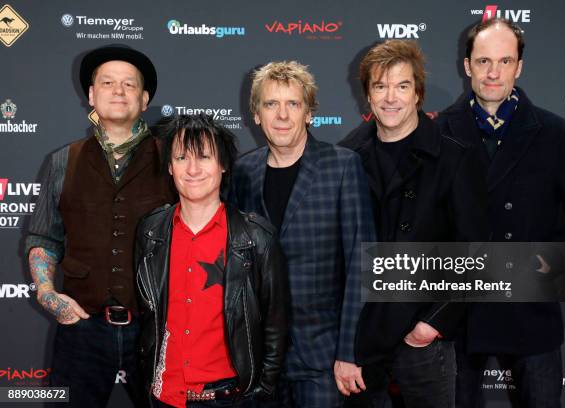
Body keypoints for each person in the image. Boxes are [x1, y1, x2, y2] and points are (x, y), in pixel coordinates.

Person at [437, 18, 565, 407]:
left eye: (504, 61)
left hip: (530, 310)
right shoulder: (440, 130)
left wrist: (552, 257)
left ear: (519, 66)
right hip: (460, 313)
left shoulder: (555, 133)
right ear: (467, 66)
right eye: (483, 61)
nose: (493, 72)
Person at [339, 39, 488, 408]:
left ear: (418, 94)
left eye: (402, 86)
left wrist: (433, 324)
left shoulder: (454, 157)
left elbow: (478, 249)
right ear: (367, 97)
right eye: (380, 86)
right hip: (365, 341)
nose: (391, 97)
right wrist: (345, 344)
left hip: (423, 341)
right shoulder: (347, 158)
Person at [25, 45, 175, 407]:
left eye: (128, 84)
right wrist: (47, 294)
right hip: (82, 329)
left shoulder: (173, 156)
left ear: (144, 98)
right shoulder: (63, 160)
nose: (118, 90)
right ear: (91, 95)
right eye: (107, 82)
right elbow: (45, 237)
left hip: (158, 330)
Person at [231, 61, 376, 407]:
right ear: (256, 115)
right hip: (259, 358)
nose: (282, 115)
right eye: (271, 104)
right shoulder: (242, 172)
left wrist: (350, 351)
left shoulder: (342, 166)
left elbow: (362, 263)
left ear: (309, 113)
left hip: (323, 356)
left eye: (293, 104)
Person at [135, 114, 288, 408]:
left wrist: (261, 389)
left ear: (223, 165)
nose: (192, 169)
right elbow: (148, 316)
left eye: (204, 157)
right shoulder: (151, 231)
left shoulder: (256, 238)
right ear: (169, 166)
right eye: (181, 157)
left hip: (231, 399)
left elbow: (275, 326)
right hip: (165, 397)